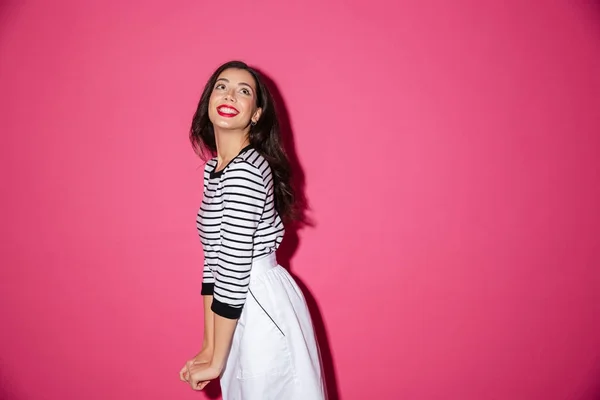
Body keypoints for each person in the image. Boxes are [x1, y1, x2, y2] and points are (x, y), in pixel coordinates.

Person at [179, 60, 327, 400]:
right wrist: (209, 345)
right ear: (208, 103)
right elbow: (213, 261)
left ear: (256, 114)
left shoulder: (246, 171)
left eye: (243, 91)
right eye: (221, 86)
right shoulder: (216, 168)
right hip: (236, 304)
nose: (230, 94)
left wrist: (216, 360)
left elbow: (232, 265)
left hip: (257, 300)